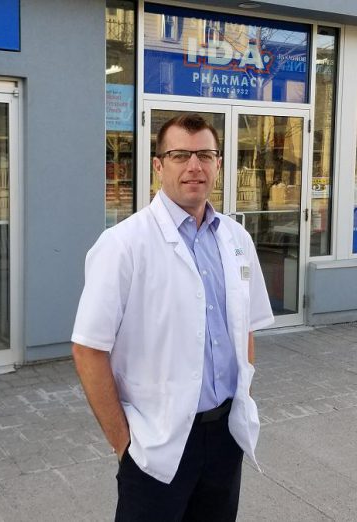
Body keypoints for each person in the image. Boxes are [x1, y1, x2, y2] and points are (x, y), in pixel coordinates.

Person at [71, 114, 274, 521]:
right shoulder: (123, 244)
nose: (194, 166)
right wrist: (124, 443)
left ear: (218, 164)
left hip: (223, 437)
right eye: (180, 155)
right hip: (156, 444)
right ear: (158, 166)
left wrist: (243, 397)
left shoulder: (236, 239)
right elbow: (88, 349)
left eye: (205, 155)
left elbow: (244, 327)